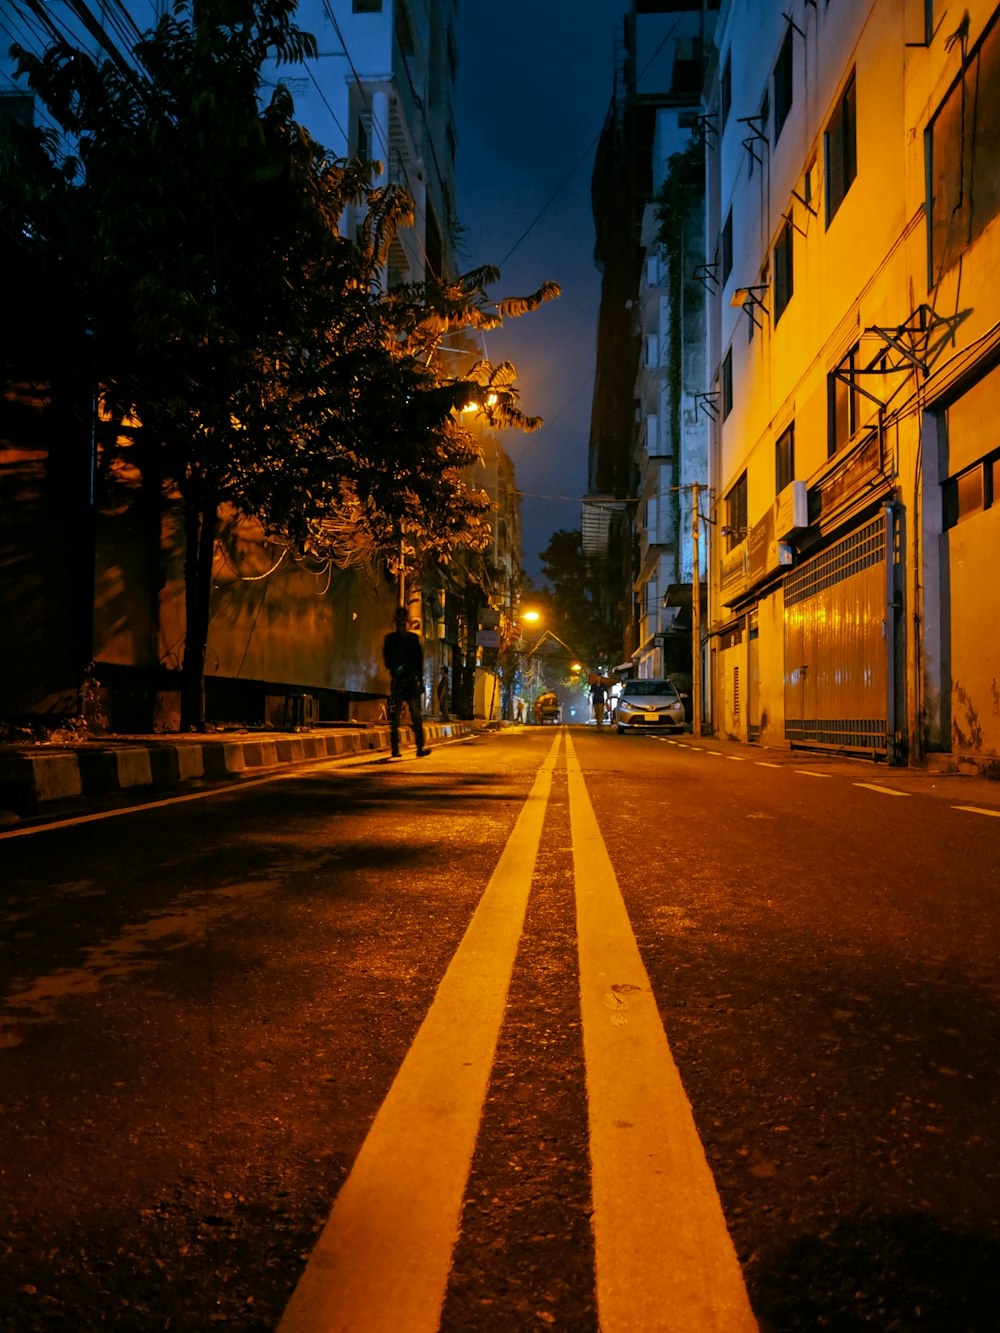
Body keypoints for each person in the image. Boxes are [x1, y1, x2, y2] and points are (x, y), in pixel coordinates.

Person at [382, 607, 429, 758]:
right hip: (398, 681)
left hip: (411, 683)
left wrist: (420, 681)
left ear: (408, 622)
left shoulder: (413, 640)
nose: (402, 624)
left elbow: (419, 662)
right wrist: (396, 669)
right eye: (400, 621)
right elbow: (387, 660)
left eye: (404, 621)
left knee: (416, 715)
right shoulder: (390, 640)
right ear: (397, 622)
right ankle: (395, 749)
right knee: (395, 717)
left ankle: (420, 748)